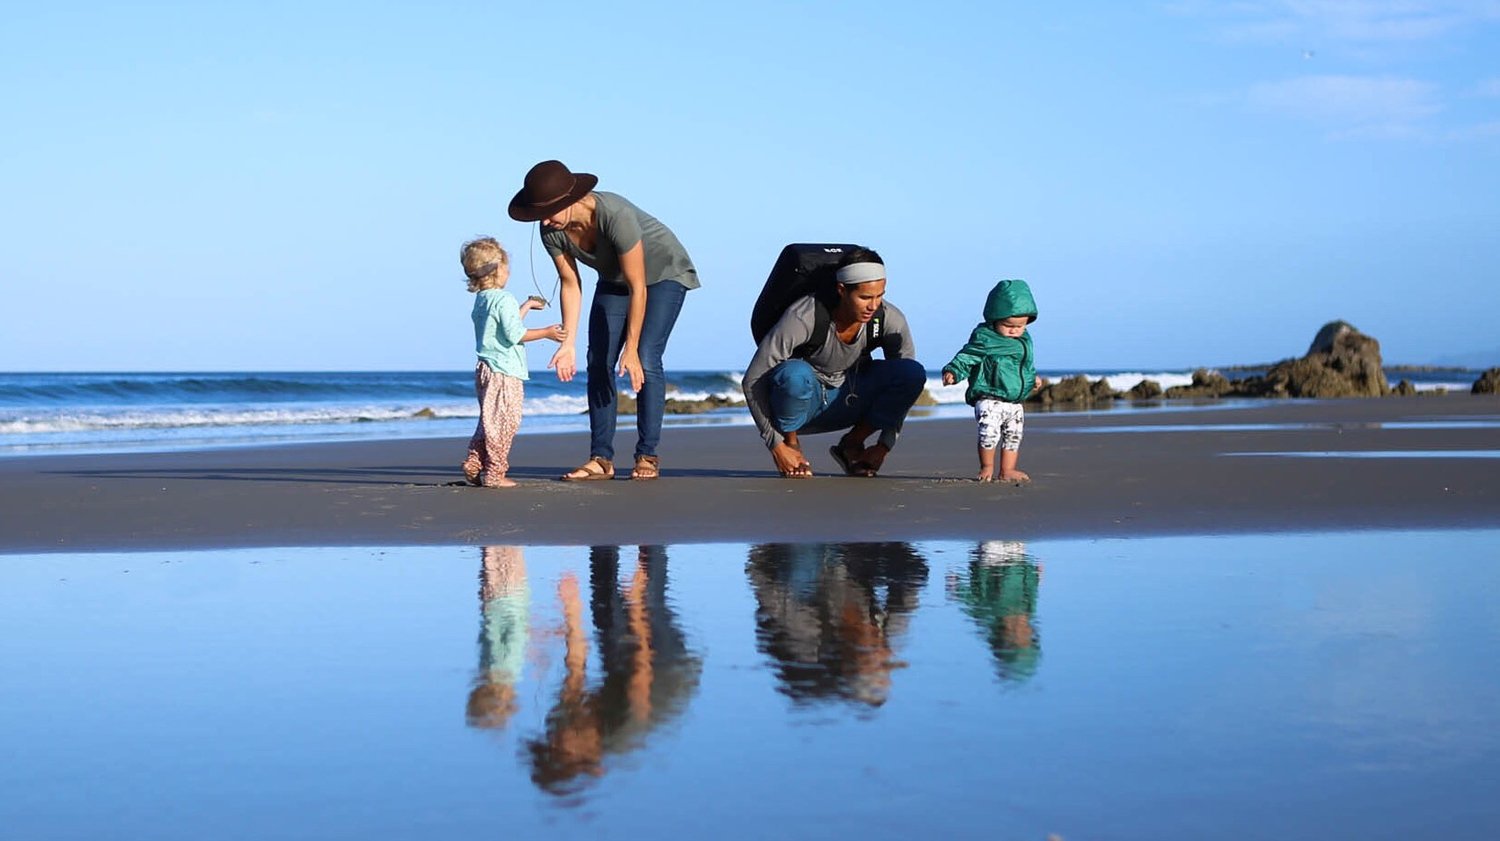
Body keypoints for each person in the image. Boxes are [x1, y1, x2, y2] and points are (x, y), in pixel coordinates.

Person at [508, 160, 700, 481]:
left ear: (570, 201)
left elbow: (638, 285)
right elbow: (570, 283)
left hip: (662, 274)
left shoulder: (615, 216)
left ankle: (647, 456)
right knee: (598, 360)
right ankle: (601, 459)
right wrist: (567, 341)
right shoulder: (551, 230)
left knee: (647, 359)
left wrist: (633, 347)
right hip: (613, 281)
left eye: (550, 211)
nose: (544, 220)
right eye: (539, 213)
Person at [741, 247, 926, 478]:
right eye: (865, 297)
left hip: (852, 399)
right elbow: (752, 380)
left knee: (912, 373)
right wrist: (777, 446)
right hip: (803, 406)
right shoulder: (805, 315)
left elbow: (905, 390)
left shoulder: (888, 318)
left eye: (880, 295)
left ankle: (852, 445)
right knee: (793, 373)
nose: (874, 305)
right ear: (842, 290)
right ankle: (793, 446)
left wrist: (884, 446)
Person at [459, 237, 565, 488]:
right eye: (506, 268)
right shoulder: (503, 298)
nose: (508, 273)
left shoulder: (484, 299)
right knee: (505, 422)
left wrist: (526, 305)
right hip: (504, 372)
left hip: (485, 369)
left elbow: (506, 325)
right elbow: (515, 334)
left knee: (489, 421)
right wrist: (547, 333)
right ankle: (495, 473)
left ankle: (474, 462)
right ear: (496, 270)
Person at [940, 278, 1040, 483]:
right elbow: (968, 356)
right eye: (1008, 325)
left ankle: (1007, 470)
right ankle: (987, 467)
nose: (1014, 330)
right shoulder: (986, 338)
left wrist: (1032, 379)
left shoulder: (1024, 340)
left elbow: (1024, 366)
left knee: (1013, 436)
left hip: (1014, 401)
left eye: (1020, 325)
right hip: (989, 396)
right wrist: (954, 371)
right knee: (989, 433)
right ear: (994, 318)